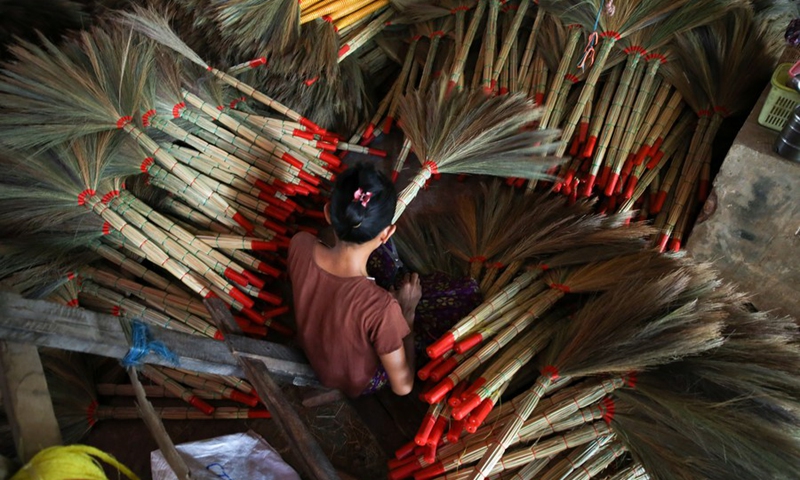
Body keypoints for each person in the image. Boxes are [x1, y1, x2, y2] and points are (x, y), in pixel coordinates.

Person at [287, 163, 422, 398]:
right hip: (354, 381)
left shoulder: (300, 244)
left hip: (313, 349)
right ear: (387, 233)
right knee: (455, 296)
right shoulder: (382, 309)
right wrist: (407, 313)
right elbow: (403, 387)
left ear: (328, 213)